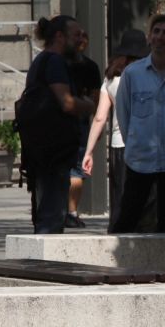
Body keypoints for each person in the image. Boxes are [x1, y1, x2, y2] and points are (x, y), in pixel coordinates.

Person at [112, 14, 165, 234]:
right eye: (156, 32)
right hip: (140, 157)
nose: (160, 37)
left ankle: (164, 267)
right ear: (149, 37)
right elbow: (124, 115)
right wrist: (135, 141)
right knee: (128, 217)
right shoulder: (132, 74)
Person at [17, 15, 94, 234]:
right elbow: (67, 103)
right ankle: (46, 264)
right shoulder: (55, 62)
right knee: (52, 217)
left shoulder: (40, 61)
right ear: (59, 36)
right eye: (75, 35)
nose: (80, 40)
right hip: (53, 151)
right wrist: (87, 104)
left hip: (40, 150)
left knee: (45, 213)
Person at [82, 27, 148, 227]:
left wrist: (89, 151)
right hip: (144, 146)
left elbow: (100, 118)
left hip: (118, 146)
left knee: (119, 198)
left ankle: (118, 235)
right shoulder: (146, 76)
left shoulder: (111, 78)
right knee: (142, 200)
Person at [66, 23, 102, 228]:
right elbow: (95, 101)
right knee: (77, 172)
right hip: (79, 124)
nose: (82, 40)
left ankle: (66, 210)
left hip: (70, 125)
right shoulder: (90, 66)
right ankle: (71, 211)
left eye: (83, 35)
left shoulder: (57, 63)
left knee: (73, 171)